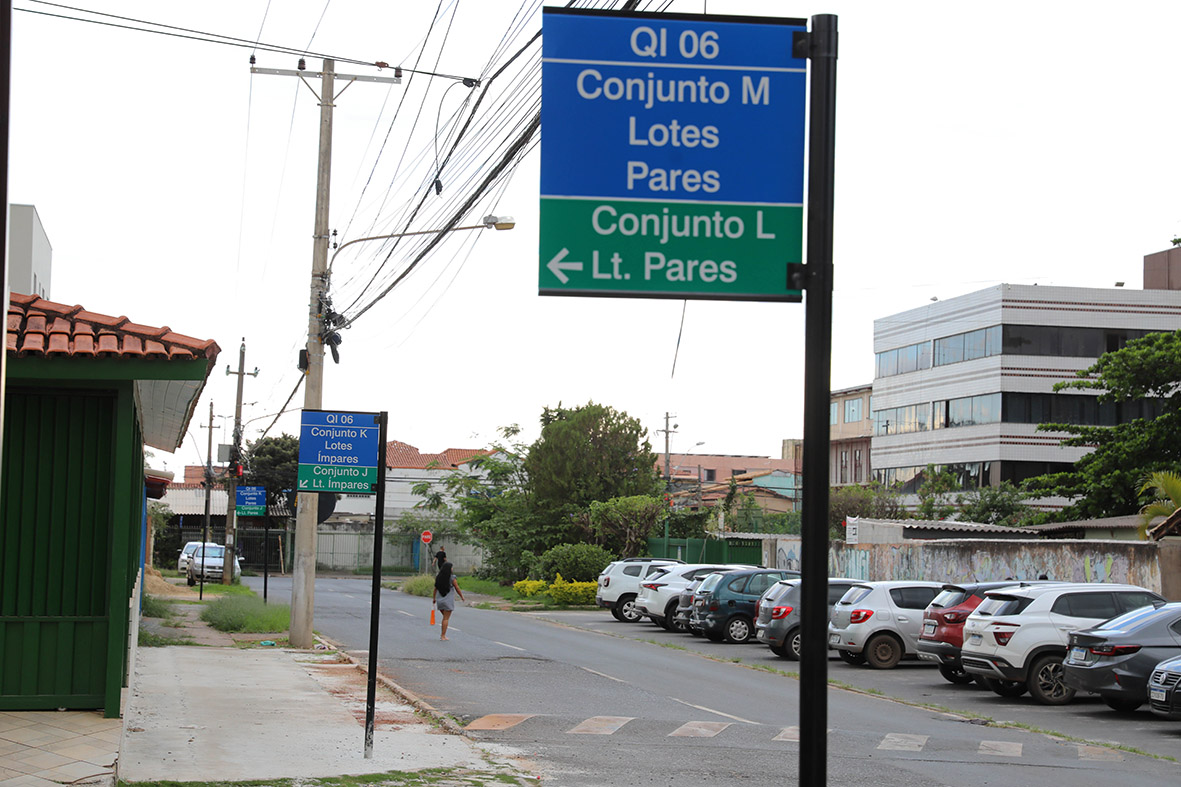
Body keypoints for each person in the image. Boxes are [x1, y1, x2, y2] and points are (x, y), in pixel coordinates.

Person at [432, 560, 465, 640]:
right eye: (452, 568)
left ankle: (443, 634)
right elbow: (457, 588)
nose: (452, 569)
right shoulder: (452, 578)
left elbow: (435, 589)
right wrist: (462, 596)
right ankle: (443, 635)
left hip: (440, 600)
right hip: (448, 601)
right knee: (446, 619)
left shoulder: (438, 577)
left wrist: (434, 599)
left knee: (445, 617)